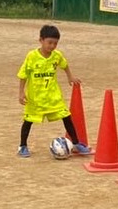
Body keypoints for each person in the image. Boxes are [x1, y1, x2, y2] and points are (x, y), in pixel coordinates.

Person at [16, 25, 90, 157]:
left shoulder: (57, 56)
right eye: (49, 42)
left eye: (55, 43)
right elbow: (23, 75)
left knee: (66, 116)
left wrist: (70, 76)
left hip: (53, 96)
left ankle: (77, 143)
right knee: (28, 120)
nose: (52, 46)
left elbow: (64, 64)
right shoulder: (32, 56)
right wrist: (21, 92)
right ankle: (22, 146)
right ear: (41, 40)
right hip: (35, 98)